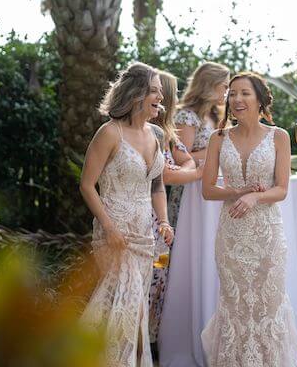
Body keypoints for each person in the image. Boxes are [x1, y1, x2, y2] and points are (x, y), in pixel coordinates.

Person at [200, 72, 297, 366]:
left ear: (259, 98)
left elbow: (281, 189)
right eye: (232, 94)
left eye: (244, 93)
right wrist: (238, 191)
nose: (236, 99)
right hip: (231, 237)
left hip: (267, 236)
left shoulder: (279, 136)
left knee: (269, 308)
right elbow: (208, 190)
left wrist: (254, 197)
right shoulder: (218, 138)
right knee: (234, 308)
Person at [79, 62, 174, 367]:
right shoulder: (110, 133)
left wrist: (164, 221)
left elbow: (156, 186)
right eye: (155, 90)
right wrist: (108, 227)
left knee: (134, 310)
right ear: (137, 94)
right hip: (115, 232)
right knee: (120, 303)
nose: (161, 96)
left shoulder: (157, 134)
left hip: (144, 235)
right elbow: (87, 184)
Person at [148, 70, 202, 347]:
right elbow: (167, 175)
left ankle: (152, 341)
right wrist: (192, 173)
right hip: (146, 211)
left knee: (161, 275)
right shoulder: (151, 133)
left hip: (162, 215)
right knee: (150, 277)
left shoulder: (167, 132)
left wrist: (187, 169)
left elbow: (187, 160)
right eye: (174, 93)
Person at [167, 62, 230, 226]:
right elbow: (180, 159)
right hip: (191, 189)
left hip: (213, 186)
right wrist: (215, 151)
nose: (227, 92)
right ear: (210, 85)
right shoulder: (187, 116)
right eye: (225, 86)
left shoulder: (216, 116)